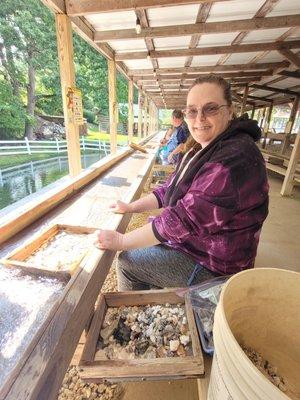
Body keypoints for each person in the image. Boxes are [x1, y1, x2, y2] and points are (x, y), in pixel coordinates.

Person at [95, 74, 269, 291]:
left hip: (216, 266)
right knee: (149, 244)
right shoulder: (211, 145)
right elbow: (170, 187)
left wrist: (121, 241)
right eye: (192, 110)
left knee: (127, 262)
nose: (199, 119)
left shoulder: (234, 157)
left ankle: (136, 316)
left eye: (211, 108)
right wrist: (131, 207)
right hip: (199, 246)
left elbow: (183, 220)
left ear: (229, 110)